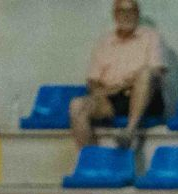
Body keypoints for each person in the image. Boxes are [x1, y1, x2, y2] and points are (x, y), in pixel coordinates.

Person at [71, 0, 167, 150]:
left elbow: (157, 72)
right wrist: (101, 93)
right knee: (77, 105)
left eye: (131, 11)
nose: (126, 15)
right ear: (115, 15)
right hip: (111, 98)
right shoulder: (104, 42)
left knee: (146, 73)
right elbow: (92, 80)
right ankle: (92, 162)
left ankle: (129, 132)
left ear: (138, 14)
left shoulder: (151, 36)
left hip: (144, 97)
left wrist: (125, 84)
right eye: (122, 11)